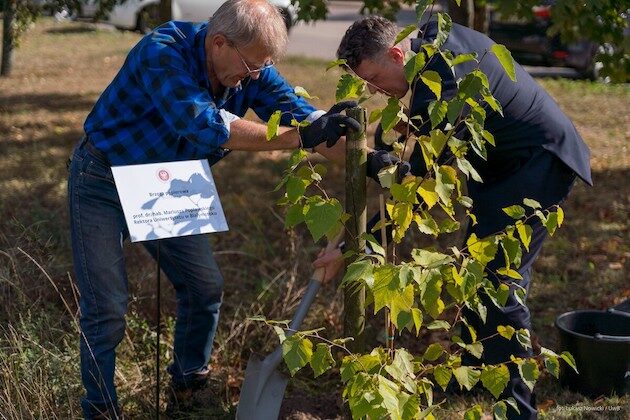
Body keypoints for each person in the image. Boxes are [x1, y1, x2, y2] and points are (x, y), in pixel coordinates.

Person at [67, 0, 359, 417]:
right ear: (218, 42)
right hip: (104, 179)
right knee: (107, 308)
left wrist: (363, 158)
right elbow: (206, 125)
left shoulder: (247, 63)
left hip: (166, 182)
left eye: (262, 67)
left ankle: (188, 386)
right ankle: (100, 409)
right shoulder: (162, 51)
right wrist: (302, 137)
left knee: (204, 287)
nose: (255, 76)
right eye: (251, 66)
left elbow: (300, 114)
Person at [314, 16, 592, 419]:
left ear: (396, 53)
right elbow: (428, 159)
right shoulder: (430, 43)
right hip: (499, 166)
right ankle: (481, 376)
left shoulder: (442, 82)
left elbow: (422, 191)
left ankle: (517, 409)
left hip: (538, 163)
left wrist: (350, 243)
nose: (374, 92)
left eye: (374, 79)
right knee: (476, 272)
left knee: (500, 283)